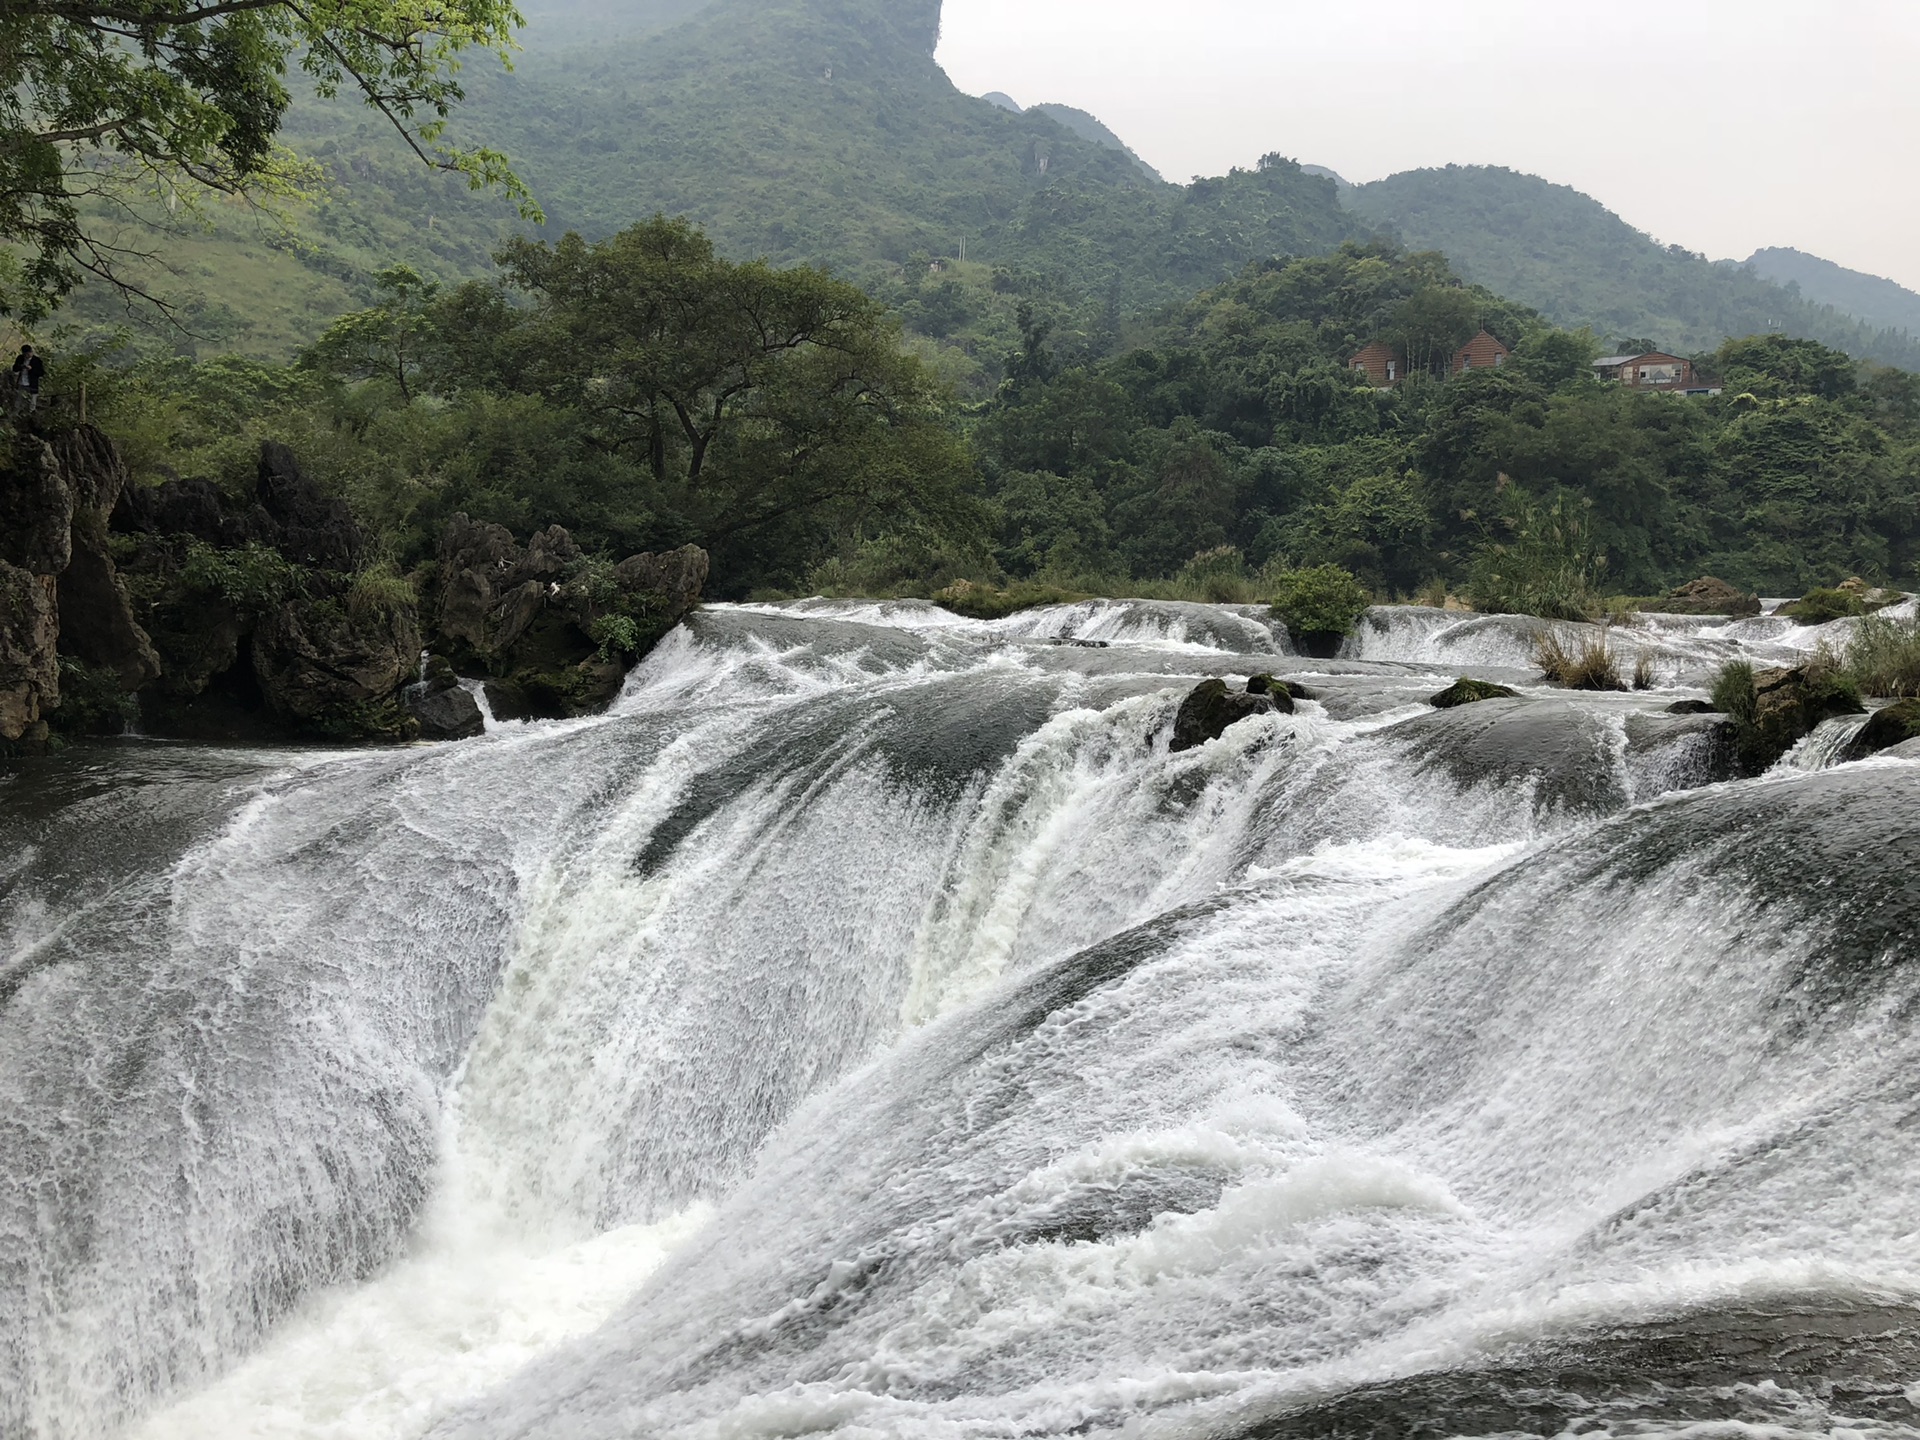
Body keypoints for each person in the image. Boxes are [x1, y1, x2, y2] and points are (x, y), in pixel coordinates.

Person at [11, 345, 45, 417]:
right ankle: (16, 414)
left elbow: (41, 373)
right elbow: (14, 368)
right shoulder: (20, 358)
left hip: (32, 383)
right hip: (21, 382)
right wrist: (21, 366)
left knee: (33, 400)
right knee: (18, 399)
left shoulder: (37, 360)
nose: (27, 355)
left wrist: (31, 369)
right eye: (25, 354)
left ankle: (31, 414)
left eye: (28, 353)